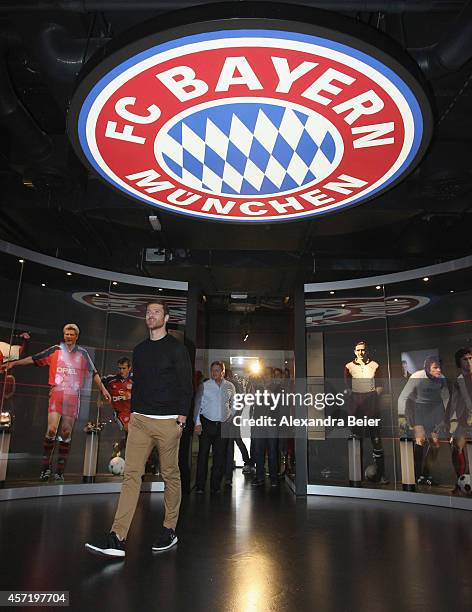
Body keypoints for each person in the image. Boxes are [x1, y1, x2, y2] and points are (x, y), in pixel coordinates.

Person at [85, 300, 193, 557]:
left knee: (170, 476)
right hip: (141, 422)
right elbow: (140, 385)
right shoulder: (140, 350)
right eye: (148, 313)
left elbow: (186, 385)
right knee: (131, 475)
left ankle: (169, 529)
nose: (151, 316)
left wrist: (182, 419)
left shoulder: (178, 349)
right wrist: (133, 414)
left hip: (168, 422)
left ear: (166, 318)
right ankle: (117, 537)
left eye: (156, 312)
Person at [1, 324, 111, 481]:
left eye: (72, 334)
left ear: (76, 336)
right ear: (64, 335)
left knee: (66, 433)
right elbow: (34, 359)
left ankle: (59, 471)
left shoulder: (83, 353)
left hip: (73, 396)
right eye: (66, 334)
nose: (68, 336)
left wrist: (104, 390)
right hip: (57, 393)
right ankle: (45, 469)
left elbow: (94, 373)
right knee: (51, 430)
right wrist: (14, 363)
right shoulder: (55, 350)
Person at [398, 356, 449, 486]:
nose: (438, 370)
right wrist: (402, 417)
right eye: (435, 367)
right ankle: (416, 475)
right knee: (420, 442)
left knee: (435, 445)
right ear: (427, 368)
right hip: (419, 410)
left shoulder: (441, 378)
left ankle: (426, 475)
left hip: (434, 412)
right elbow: (403, 397)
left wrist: (444, 419)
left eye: (439, 367)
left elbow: (446, 398)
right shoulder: (416, 377)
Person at [344, 341, 388, 484]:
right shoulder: (348, 367)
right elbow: (347, 387)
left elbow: (381, 385)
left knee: (376, 441)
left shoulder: (375, 365)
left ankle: (380, 475)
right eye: (358, 350)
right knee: (356, 441)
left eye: (363, 350)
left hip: (372, 407)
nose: (360, 352)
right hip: (356, 409)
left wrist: (372, 398)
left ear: (366, 350)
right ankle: (357, 476)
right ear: (354, 351)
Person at [194, 361, 235, 493]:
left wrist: (231, 416)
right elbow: (197, 405)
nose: (214, 373)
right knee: (203, 456)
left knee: (219, 457)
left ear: (223, 372)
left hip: (222, 425)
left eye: (217, 370)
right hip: (206, 424)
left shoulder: (230, 386)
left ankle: (215, 487)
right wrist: (197, 423)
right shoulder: (204, 386)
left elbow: (234, 403)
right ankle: (200, 486)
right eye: (213, 370)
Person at [446, 348, 472, 489]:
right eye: (465, 359)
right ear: (459, 363)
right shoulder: (458, 381)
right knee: (457, 448)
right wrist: (451, 422)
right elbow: (453, 403)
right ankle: (461, 482)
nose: (469, 362)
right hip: (464, 420)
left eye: (470, 358)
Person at [252, 365, 280, 487]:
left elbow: (278, 404)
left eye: (268, 374)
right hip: (259, 422)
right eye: (265, 374)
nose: (266, 377)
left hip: (272, 423)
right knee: (259, 451)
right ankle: (259, 477)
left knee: (272, 451)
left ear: (272, 376)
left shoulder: (278, 387)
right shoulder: (257, 388)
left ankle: (273, 477)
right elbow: (253, 402)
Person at [224, 368, 253, 486]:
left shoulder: (231, 384)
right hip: (232, 416)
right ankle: (246, 462)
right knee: (235, 439)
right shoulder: (232, 384)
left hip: (232, 416)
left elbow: (240, 401)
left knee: (233, 439)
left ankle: (244, 462)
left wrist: (235, 414)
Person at [101, 357, 133, 456]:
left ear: (129, 368)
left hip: (134, 412)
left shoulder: (137, 379)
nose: (121, 371)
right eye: (119, 368)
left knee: (132, 437)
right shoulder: (111, 379)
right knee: (130, 430)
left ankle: (118, 447)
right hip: (120, 413)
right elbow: (98, 381)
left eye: (124, 368)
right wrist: (101, 397)